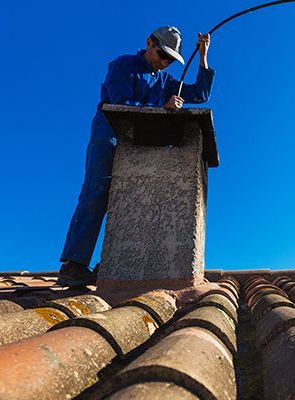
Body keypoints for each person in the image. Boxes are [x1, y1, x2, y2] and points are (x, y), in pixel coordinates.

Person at [57, 26, 214, 287]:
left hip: (137, 141)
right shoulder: (123, 65)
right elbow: (119, 103)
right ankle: (74, 266)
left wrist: (203, 57)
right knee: (98, 190)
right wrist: (161, 107)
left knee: (133, 195)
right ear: (149, 43)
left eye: (170, 60)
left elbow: (199, 94)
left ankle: (117, 264)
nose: (165, 63)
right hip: (109, 132)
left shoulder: (165, 82)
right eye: (163, 55)